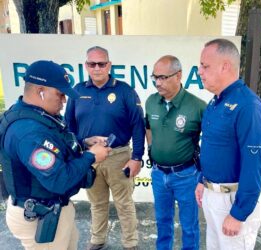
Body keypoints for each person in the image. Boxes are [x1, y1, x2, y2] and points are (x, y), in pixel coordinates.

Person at [0, 60, 111, 250]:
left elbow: (56, 143)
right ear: (40, 91)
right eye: (60, 94)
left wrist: (83, 143)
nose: (64, 100)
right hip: (40, 216)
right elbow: (60, 180)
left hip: (52, 209)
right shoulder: (28, 132)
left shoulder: (37, 115)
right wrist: (91, 157)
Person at [65, 46, 145, 250]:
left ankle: (130, 243)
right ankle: (98, 239)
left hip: (118, 155)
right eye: (92, 64)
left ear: (109, 65)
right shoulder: (78, 91)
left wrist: (136, 157)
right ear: (86, 66)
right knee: (97, 203)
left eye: (101, 63)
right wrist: (81, 147)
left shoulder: (124, 90)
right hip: (89, 157)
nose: (97, 68)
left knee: (124, 204)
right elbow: (69, 127)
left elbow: (138, 125)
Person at [195, 39, 261, 250]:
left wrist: (238, 213)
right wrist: (202, 180)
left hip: (233, 201)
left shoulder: (248, 107)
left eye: (205, 66)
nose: (200, 71)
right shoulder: (215, 102)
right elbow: (213, 148)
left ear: (225, 66)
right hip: (212, 196)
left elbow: (254, 167)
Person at [145, 55, 207, 250]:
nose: (157, 82)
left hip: (186, 175)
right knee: (162, 222)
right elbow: (148, 128)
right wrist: (152, 151)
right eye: (155, 77)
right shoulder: (151, 102)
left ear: (178, 75)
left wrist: (203, 174)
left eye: (163, 77)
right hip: (158, 174)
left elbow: (211, 141)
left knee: (189, 226)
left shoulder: (197, 106)